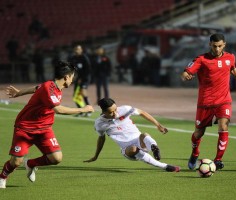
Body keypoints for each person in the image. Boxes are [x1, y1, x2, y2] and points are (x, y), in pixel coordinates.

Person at [0, 61, 95, 189]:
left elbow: (35, 88)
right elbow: (59, 109)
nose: (72, 80)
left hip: (44, 129)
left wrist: (19, 93)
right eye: (72, 77)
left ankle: (31, 163)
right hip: (25, 128)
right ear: (66, 77)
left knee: (56, 158)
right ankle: (3, 177)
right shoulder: (48, 89)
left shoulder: (53, 86)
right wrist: (83, 109)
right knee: (16, 161)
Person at [180, 33, 236, 170]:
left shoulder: (230, 57)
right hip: (205, 102)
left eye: (220, 46)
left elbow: (233, 69)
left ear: (224, 45)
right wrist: (186, 76)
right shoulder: (201, 59)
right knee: (198, 133)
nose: (217, 49)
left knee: (223, 127)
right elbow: (186, 72)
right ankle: (195, 153)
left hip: (224, 100)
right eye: (215, 46)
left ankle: (218, 160)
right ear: (210, 44)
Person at [84, 98, 180, 173]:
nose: (115, 114)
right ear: (103, 112)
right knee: (134, 148)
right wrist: (96, 155)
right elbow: (101, 138)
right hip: (127, 149)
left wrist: (158, 125)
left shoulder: (125, 109)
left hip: (139, 140)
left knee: (144, 135)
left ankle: (154, 147)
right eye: (110, 112)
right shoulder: (99, 123)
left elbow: (142, 112)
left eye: (115, 110)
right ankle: (165, 166)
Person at [68, 45, 92, 116]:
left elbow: (88, 70)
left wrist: (82, 78)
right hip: (78, 79)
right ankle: (80, 111)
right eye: (76, 49)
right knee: (75, 95)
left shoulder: (84, 58)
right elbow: (72, 69)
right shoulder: (73, 58)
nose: (77, 50)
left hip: (85, 78)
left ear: (81, 50)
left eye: (78, 49)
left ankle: (89, 110)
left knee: (83, 92)